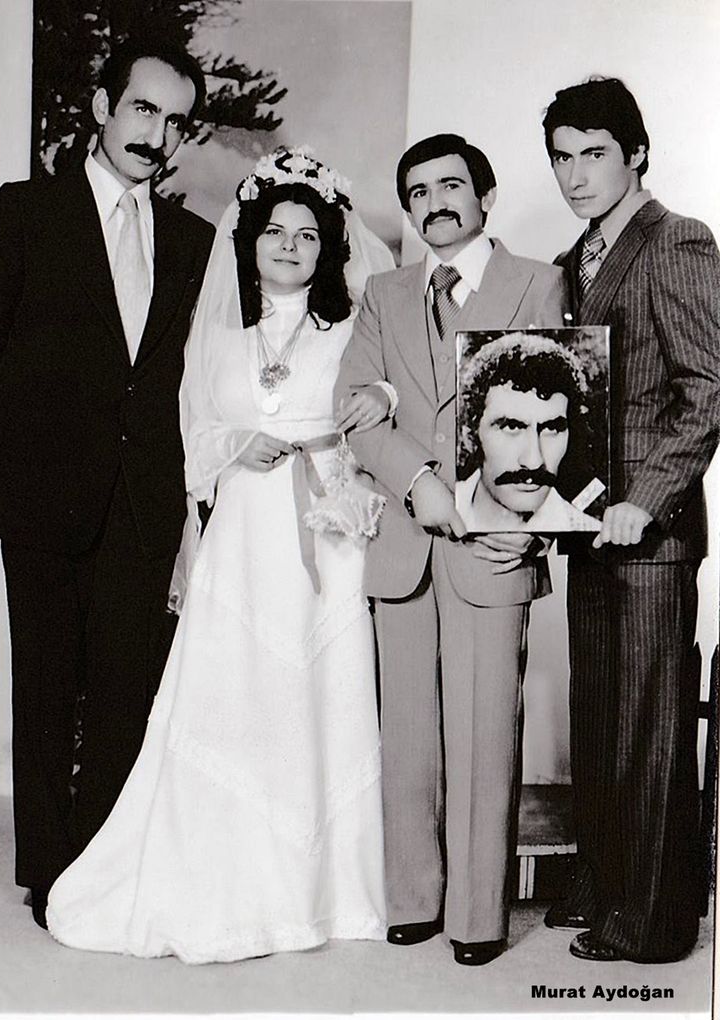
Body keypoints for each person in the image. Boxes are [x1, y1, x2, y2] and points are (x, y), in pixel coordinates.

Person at [46, 148, 395, 964]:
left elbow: (387, 400)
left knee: (316, 696)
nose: (288, 246)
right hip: (241, 532)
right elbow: (189, 432)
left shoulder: (350, 332)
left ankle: (326, 891)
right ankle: (223, 875)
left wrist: (376, 398)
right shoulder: (218, 336)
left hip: (321, 537)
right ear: (250, 241)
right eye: (274, 231)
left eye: (307, 235)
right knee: (236, 694)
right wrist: (238, 441)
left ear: (328, 248)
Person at [0, 40, 214, 928]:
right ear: (101, 106)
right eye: (143, 110)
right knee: (45, 685)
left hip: (142, 499)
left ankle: (99, 864)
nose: (156, 135)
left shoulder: (193, 242)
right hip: (43, 493)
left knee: (126, 688)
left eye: (174, 121)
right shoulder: (28, 212)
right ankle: (47, 869)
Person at [334, 133, 567, 965]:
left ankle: (476, 916)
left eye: (451, 185)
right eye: (418, 190)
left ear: (487, 195)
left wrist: (504, 513)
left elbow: (558, 407)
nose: (435, 201)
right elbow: (354, 407)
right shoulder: (385, 294)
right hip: (404, 544)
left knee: (482, 738)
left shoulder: (537, 282)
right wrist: (417, 484)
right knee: (408, 738)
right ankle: (412, 901)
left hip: (497, 544)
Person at [541, 77, 720, 963]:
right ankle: (609, 890)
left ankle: (650, 929)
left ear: (636, 152)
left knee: (648, 730)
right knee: (603, 723)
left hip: (650, 538)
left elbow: (707, 392)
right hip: (588, 532)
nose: (575, 176)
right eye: (562, 158)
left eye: (594, 155)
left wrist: (646, 501)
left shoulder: (676, 240)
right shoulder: (581, 254)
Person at [455, 332, 601, 532]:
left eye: (551, 429)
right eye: (512, 427)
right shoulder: (441, 505)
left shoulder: (587, 532)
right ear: (470, 436)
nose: (534, 461)